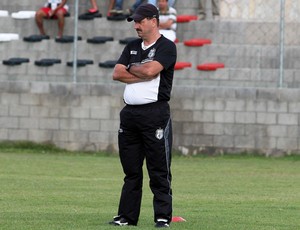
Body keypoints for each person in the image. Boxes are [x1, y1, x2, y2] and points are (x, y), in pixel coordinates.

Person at [110, 3, 176, 228]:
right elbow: (117, 73)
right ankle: (126, 217)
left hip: (154, 114)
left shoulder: (167, 46)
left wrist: (136, 69)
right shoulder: (132, 46)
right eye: (134, 22)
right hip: (129, 115)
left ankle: (162, 217)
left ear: (154, 21)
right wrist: (143, 72)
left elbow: (150, 70)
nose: (136, 26)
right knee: (131, 170)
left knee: (158, 169)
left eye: (140, 21)